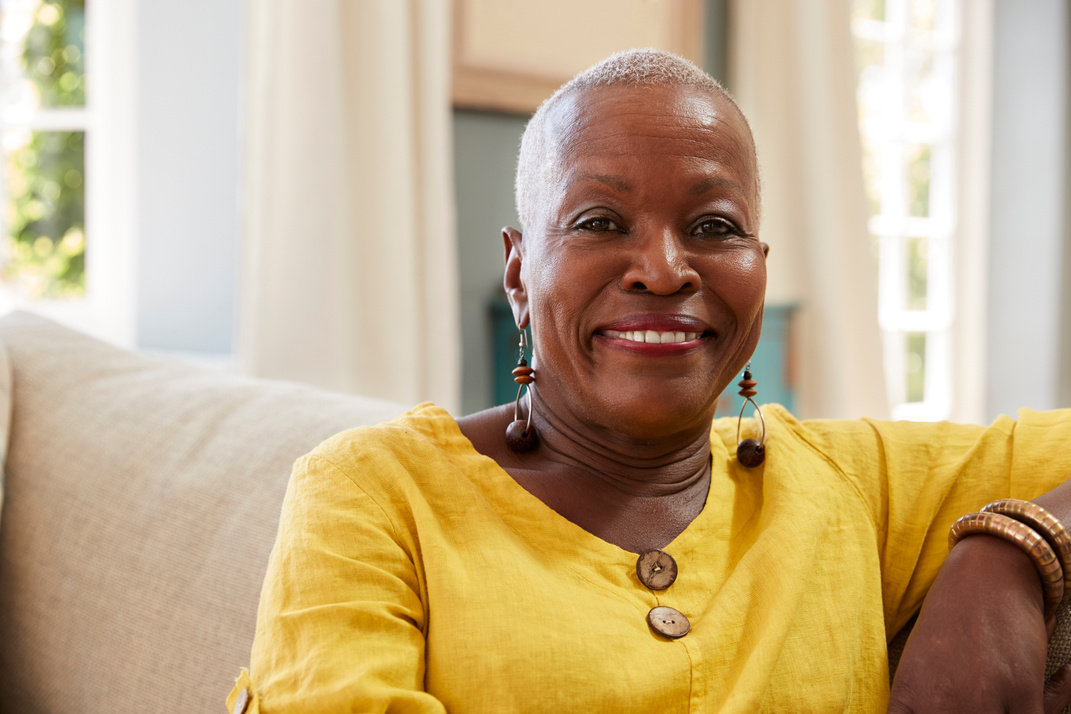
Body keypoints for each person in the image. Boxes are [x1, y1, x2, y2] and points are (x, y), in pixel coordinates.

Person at [227, 49, 1071, 713]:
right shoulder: (373, 494)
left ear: (759, 270)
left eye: (713, 226)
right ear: (519, 273)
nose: (665, 270)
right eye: (598, 222)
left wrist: (1012, 551)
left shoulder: (855, 486)